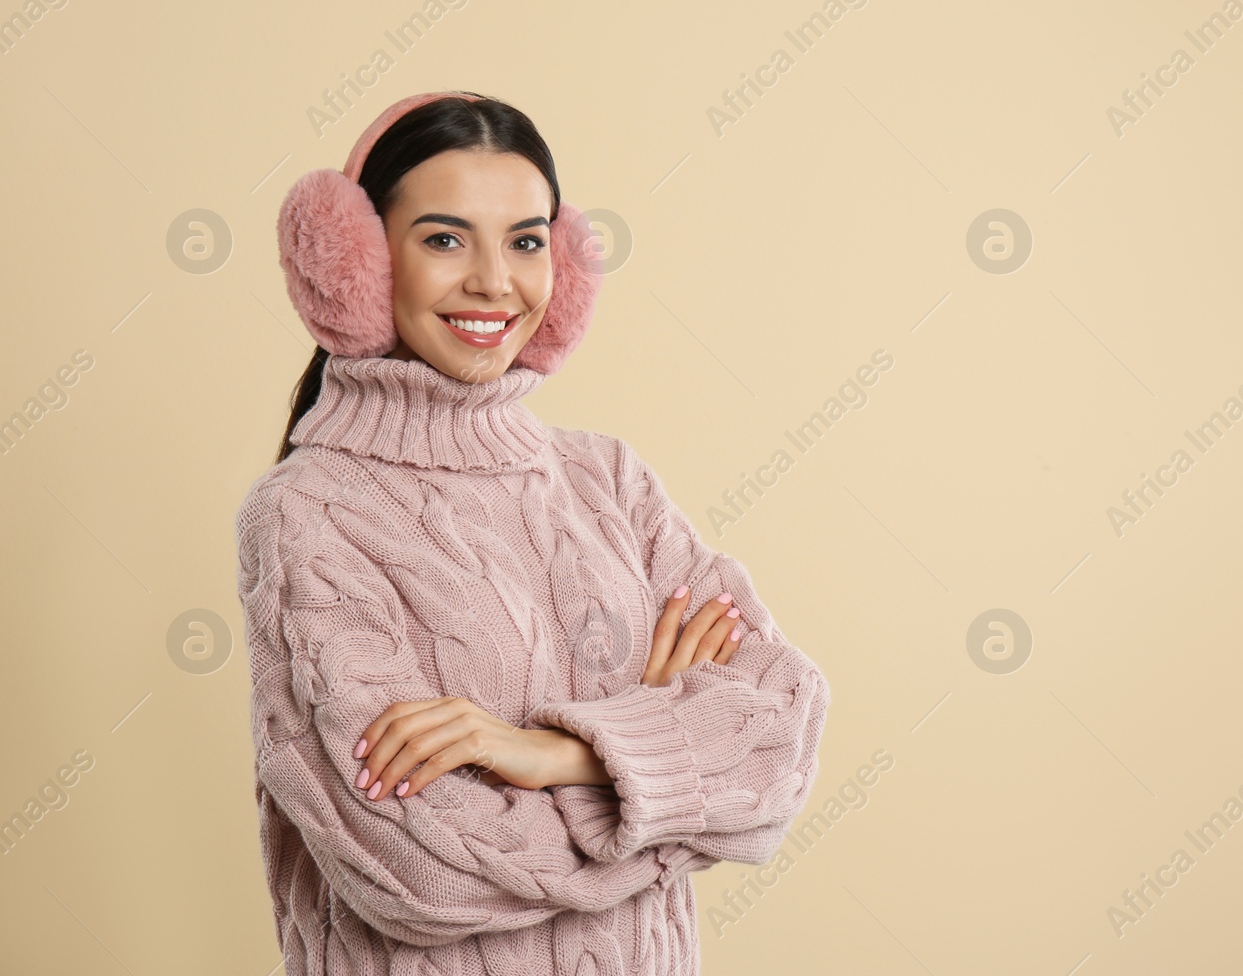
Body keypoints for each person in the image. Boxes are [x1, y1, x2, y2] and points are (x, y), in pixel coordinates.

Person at [234, 91, 830, 974]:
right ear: (358, 262)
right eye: (444, 238)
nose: (493, 280)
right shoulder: (304, 513)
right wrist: (664, 776)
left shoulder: (609, 480)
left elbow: (781, 738)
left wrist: (556, 752)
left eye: (525, 241)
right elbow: (424, 874)